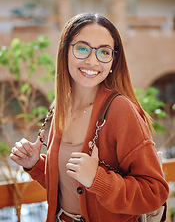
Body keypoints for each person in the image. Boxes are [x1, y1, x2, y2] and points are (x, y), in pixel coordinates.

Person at [10, 13, 169, 222]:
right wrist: (35, 164)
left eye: (104, 52)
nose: (92, 61)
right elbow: (69, 186)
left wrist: (98, 179)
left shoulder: (120, 110)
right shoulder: (60, 106)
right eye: (82, 48)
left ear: (113, 61)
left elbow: (154, 192)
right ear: (65, 51)